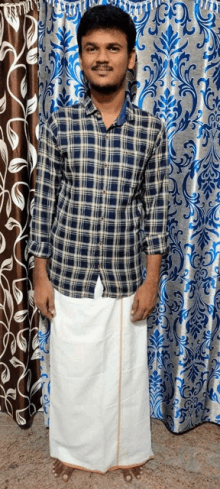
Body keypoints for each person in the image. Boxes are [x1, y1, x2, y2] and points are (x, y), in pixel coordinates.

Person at [28, 4, 169, 484]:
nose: (102, 57)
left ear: (131, 58)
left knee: (123, 370)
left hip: (127, 272)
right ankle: (71, 449)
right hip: (68, 268)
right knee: (72, 365)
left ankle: (125, 451)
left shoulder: (151, 130)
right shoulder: (60, 125)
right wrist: (39, 274)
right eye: (92, 49)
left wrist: (152, 281)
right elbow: (43, 203)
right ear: (81, 57)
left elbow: (156, 210)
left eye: (113, 48)